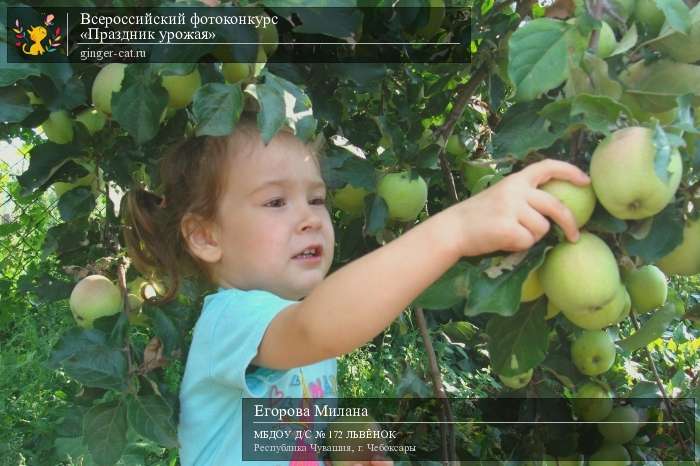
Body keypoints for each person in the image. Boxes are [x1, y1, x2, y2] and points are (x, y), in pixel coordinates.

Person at [122, 115, 589, 465]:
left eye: (318, 199)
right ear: (206, 236)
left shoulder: (297, 332)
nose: (309, 218)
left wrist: (346, 439)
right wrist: (455, 230)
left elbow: (272, 431)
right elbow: (317, 328)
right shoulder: (230, 320)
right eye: (275, 201)